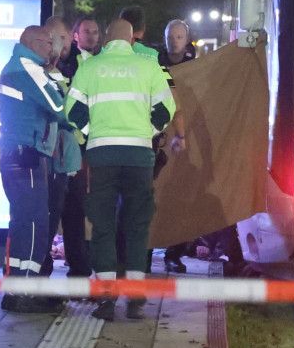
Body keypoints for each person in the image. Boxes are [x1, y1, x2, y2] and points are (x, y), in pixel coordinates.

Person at [67, 18, 176, 320]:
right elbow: (167, 109)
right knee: (137, 224)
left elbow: (72, 110)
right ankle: (136, 294)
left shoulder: (90, 67)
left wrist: (93, 132)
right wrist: (147, 131)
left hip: (101, 156)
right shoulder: (148, 66)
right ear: (130, 40)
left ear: (105, 38)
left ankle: (105, 299)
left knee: (102, 225)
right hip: (139, 157)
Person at [0, 25, 68, 314]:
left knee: (23, 223)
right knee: (36, 224)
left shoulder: (16, 66)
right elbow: (58, 106)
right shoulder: (28, 68)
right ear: (37, 42)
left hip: (15, 154)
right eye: (50, 42)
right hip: (26, 156)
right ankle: (24, 292)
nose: (53, 48)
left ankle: (18, 289)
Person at [37, 18, 83, 280]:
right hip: (54, 157)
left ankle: (77, 269)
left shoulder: (72, 66)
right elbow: (63, 111)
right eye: (58, 39)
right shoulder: (44, 72)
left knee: (72, 216)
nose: (63, 44)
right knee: (50, 217)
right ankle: (41, 273)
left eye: (64, 39)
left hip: (68, 157)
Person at [56, 17, 99, 276]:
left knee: (76, 206)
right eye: (87, 32)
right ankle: (78, 262)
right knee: (69, 205)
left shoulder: (95, 62)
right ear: (75, 35)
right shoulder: (70, 61)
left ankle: (79, 262)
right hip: (68, 143)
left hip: (80, 144)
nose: (92, 36)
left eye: (96, 32)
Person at [158, 20, 199, 273]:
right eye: (171, 36)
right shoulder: (153, 62)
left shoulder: (196, 66)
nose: (174, 41)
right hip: (159, 135)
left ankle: (174, 253)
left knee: (179, 197)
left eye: (179, 36)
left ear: (186, 39)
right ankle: (146, 249)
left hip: (185, 138)